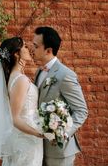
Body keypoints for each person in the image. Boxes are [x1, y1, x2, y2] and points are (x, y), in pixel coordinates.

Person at [0, 37, 43, 166]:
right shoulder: (21, 80)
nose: (28, 49)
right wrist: (39, 134)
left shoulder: (14, 78)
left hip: (24, 135)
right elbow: (14, 118)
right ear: (17, 54)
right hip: (26, 139)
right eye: (24, 47)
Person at [32, 26, 88, 166]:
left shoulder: (65, 75)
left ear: (48, 50)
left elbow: (81, 111)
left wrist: (61, 134)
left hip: (60, 152)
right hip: (38, 148)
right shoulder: (39, 71)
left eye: (36, 46)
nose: (32, 49)